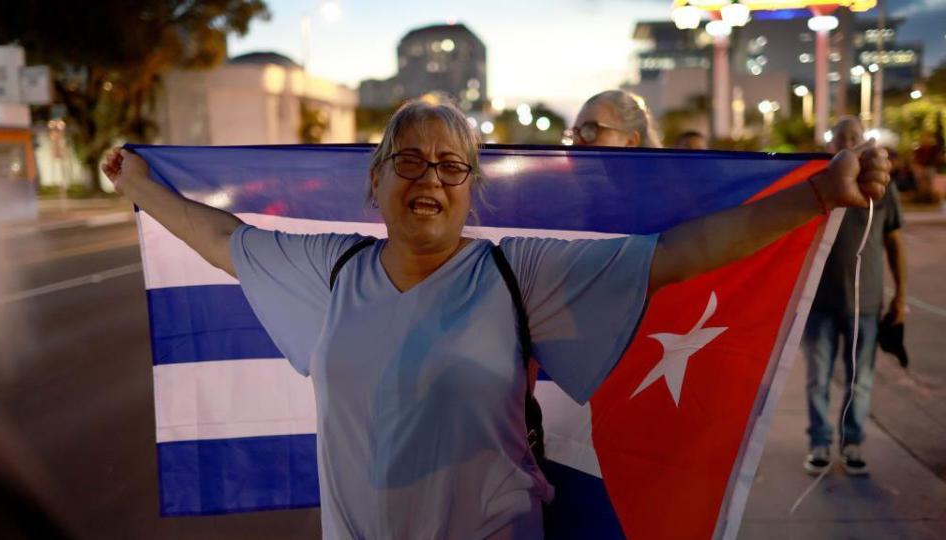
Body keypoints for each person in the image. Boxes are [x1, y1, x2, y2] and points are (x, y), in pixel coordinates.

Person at [103, 99, 889, 539]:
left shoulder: (518, 272)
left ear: (471, 188)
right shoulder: (327, 271)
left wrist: (820, 194)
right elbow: (217, 237)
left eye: (451, 166)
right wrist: (137, 184)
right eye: (409, 160)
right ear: (375, 182)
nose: (430, 179)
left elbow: (677, 253)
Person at [802, 116, 907, 477]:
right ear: (830, 145)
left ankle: (853, 442)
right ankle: (819, 442)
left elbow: (894, 242)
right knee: (818, 377)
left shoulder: (883, 187)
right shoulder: (817, 185)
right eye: (840, 138)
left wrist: (901, 298)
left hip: (866, 300)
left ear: (866, 142)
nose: (847, 143)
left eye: (855, 137)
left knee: (859, 378)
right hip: (818, 302)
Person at [566, 90, 662, 148]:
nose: (577, 141)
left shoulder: (663, 181)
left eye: (590, 131)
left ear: (631, 141)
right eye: (575, 133)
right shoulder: (562, 179)